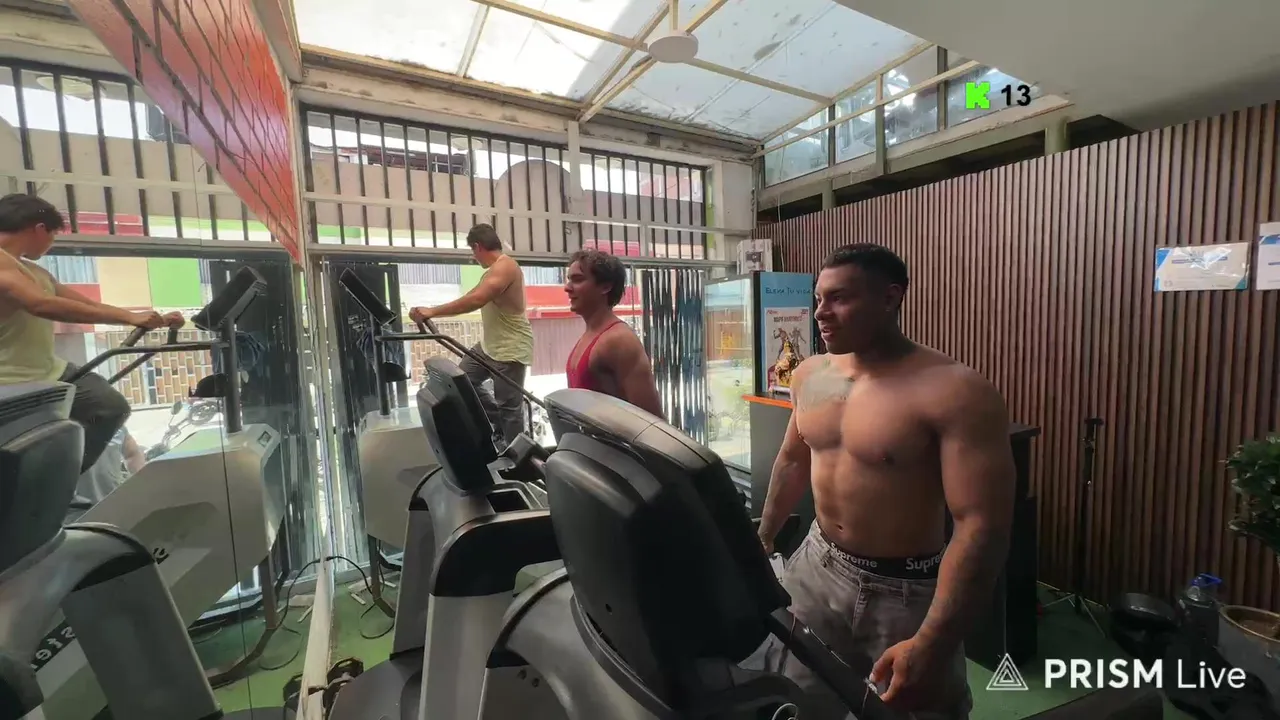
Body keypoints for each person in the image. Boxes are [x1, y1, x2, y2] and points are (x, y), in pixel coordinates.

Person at [755, 243, 1016, 720]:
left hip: (905, 592)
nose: (821, 313)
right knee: (797, 696)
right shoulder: (810, 373)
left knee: (914, 709)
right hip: (816, 566)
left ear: (891, 297)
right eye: (818, 299)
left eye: (839, 298)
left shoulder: (954, 391)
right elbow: (792, 459)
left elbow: (982, 525)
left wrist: (933, 640)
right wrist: (765, 535)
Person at [0, 193, 183, 472]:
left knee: (109, 407)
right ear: (39, 228)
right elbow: (41, 304)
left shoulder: (34, 271)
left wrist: (144, 318)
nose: (51, 244)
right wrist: (129, 317)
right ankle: (48, 483)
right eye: (53, 235)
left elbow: (89, 305)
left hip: (48, 371)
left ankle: (60, 480)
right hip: (11, 381)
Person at [409, 223, 533, 447]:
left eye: (473, 252)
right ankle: (499, 423)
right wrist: (427, 311)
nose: (474, 258)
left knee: (510, 410)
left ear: (478, 246)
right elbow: (471, 295)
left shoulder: (506, 266)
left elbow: (476, 300)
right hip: (488, 346)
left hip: (510, 348)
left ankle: (518, 458)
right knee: (461, 382)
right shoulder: (491, 272)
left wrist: (432, 311)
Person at [562, 248, 663, 417]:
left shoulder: (618, 340)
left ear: (606, 286)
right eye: (569, 280)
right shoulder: (590, 335)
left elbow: (653, 420)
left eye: (578, 280)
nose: (567, 288)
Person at [65, 425, 146, 524]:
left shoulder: (114, 425)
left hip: (114, 506)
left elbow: (132, 453)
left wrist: (141, 481)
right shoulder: (61, 428)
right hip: (76, 517)